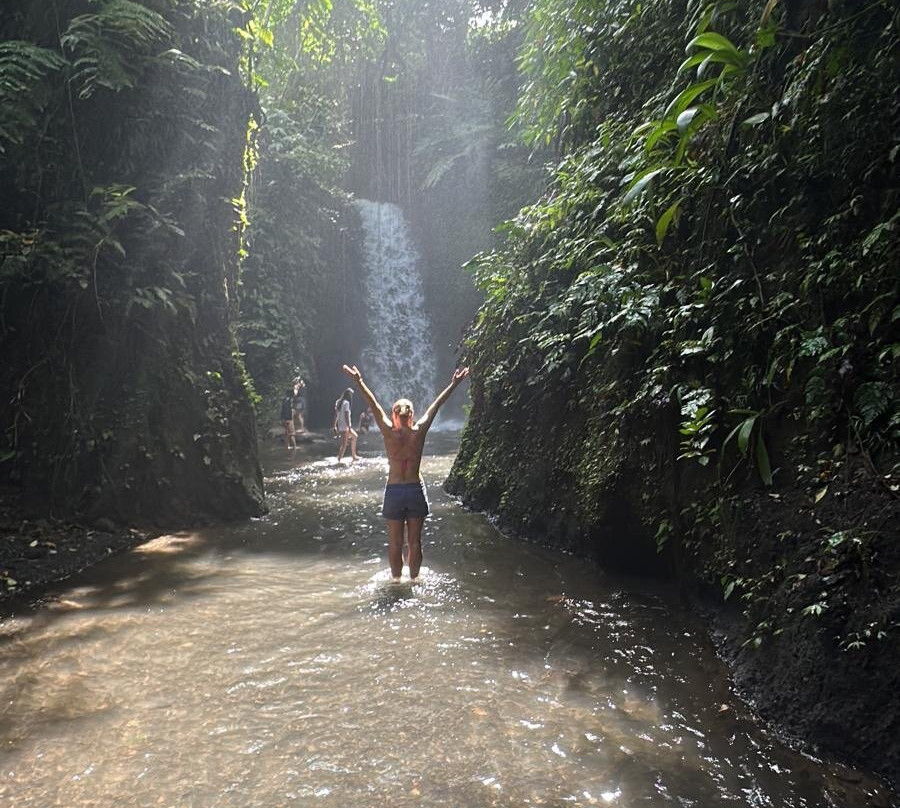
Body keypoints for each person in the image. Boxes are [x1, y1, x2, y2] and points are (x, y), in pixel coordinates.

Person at [341, 363, 469, 581]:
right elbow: (436, 405)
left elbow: (373, 404)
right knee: (415, 541)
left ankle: (396, 582)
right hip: (415, 489)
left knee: (395, 542)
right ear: (412, 415)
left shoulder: (387, 431)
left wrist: (359, 381)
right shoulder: (419, 431)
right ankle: (414, 581)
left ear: (394, 413)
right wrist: (454, 383)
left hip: (394, 490)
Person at [332, 387, 359, 462]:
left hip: (341, 425)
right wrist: (349, 426)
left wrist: (334, 426)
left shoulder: (339, 402)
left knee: (354, 436)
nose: (352, 397)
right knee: (344, 444)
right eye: (351, 395)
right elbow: (347, 415)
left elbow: (336, 415)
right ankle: (339, 459)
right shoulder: (346, 403)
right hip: (345, 426)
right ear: (348, 395)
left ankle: (353, 456)